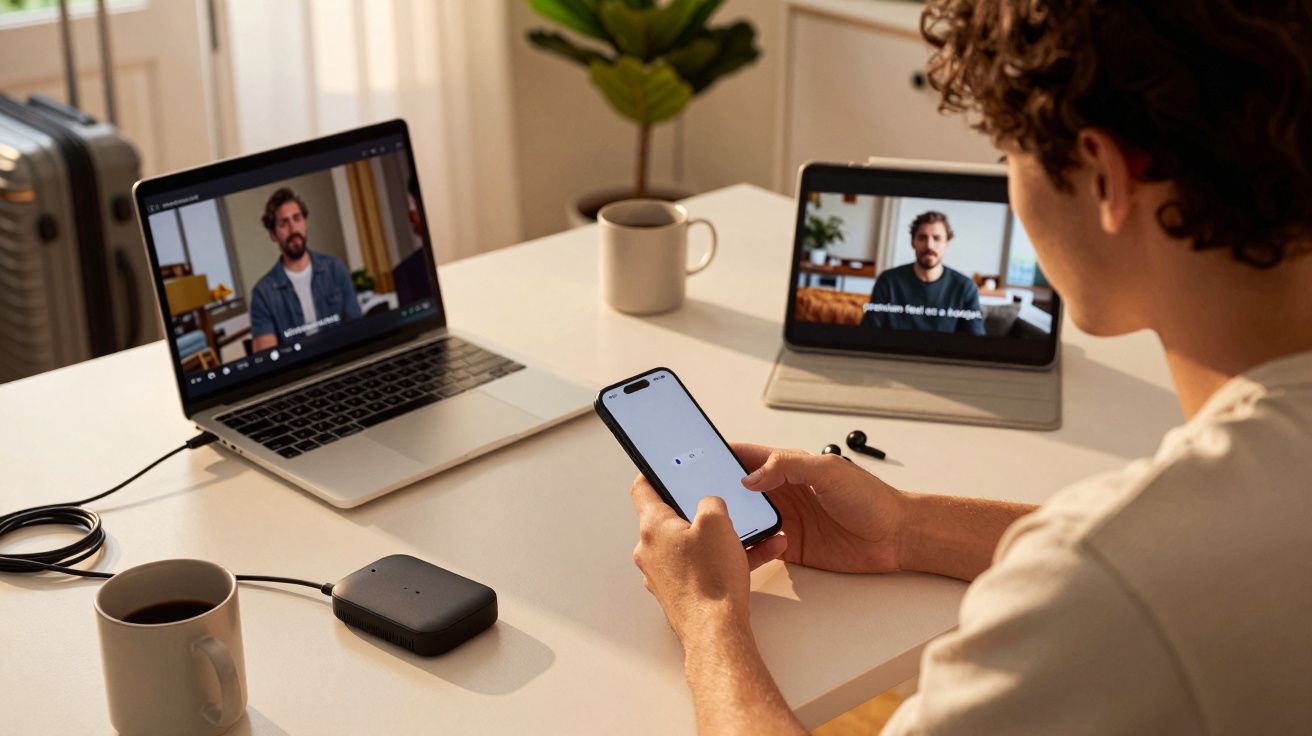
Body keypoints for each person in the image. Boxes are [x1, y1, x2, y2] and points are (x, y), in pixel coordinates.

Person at [628, 1, 1312, 733]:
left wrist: (709, 619)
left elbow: (1123, 569)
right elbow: (1175, 549)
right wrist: (906, 528)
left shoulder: (1101, 591)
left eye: (1008, 158)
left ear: (1105, 177)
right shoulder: (1216, 515)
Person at [249, 187, 361, 352]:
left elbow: (357, 329)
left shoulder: (334, 269)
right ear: (273, 234)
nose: (293, 229)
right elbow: (267, 358)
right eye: (284, 223)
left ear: (305, 223)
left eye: (297, 218)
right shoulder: (263, 294)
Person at [861, 211, 985, 334]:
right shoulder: (888, 281)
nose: (929, 245)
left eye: (937, 238)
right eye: (922, 238)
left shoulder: (965, 288)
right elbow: (868, 333)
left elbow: (975, 341)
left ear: (947, 244)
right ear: (912, 242)